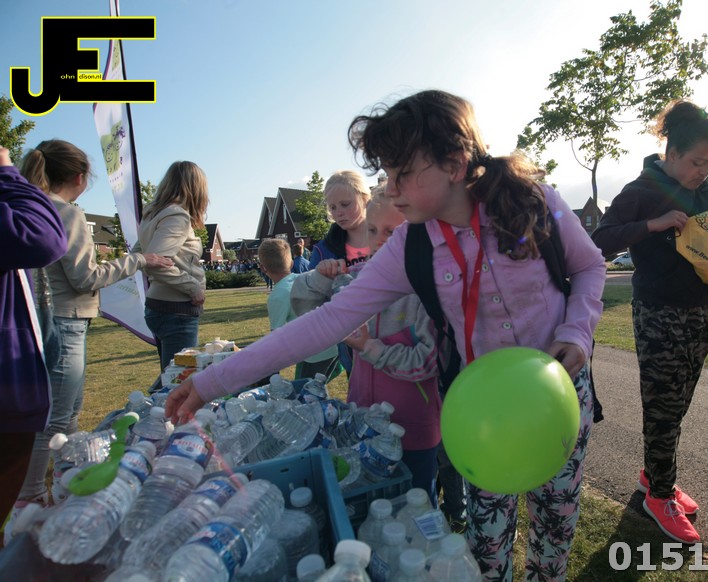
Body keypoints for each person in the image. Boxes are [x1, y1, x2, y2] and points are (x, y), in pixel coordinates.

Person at [166, 89, 606, 581]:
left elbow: (589, 267)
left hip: (560, 397)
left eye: (402, 174)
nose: (390, 189)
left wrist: (577, 330)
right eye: (387, 174)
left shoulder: (533, 200)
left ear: (455, 163)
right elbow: (328, 321)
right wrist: (211, 382)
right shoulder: (410, 246)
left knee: (554, 532)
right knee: (486, 547)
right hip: (482, 413)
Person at [591, 99, 708, 544]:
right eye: (696, 162)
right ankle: (659, 496)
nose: (704, 172)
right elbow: (600, 240)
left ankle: (653, 475)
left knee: (679, 403)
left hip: (702, 309)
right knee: (664, 408)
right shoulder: (640, 190)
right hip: (658, 313)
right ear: (671, 153)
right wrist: (651, 224)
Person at [11, 140, 171, 518]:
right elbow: (85, 277)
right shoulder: (66, 214)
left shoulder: (28, 208)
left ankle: (62, 480)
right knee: (56, 417)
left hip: (38, 322)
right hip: (65, 322)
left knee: (64, 412)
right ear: (80, 178)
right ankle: (30, 498)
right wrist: (138, 261)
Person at [292, 187, 442, 502]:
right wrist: (320, 278)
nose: (380, 240)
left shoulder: (425, 289)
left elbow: (427, 361)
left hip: (413, 431)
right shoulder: (359, 281)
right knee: (372, 504)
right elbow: (302, 308)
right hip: (362, 425)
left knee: (416, 506)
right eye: (372, 230)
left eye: (392, 231)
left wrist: (370, 348)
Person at [0, 146, 67, 539]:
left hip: (28, 348)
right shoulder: (53, 211)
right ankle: (33, 493)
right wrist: (6, 173)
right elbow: (44, 240)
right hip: (12, 377)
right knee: (58, 419)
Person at [133, 161, 209, 376]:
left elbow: (139, 254)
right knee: (178, 379)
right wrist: (193, 287)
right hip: (176, 310)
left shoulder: (153, 214)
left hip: (160, 304)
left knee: (171, 374)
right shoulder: (177, 216)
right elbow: (154, 262)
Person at [308, 170, 372, 376]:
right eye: (333, 207)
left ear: (365, 199)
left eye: (345, 204)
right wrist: (320, 277)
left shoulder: (388, 234)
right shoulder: (323, 250)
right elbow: (310, 300)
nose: (339, 213)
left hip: (398, 336)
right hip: (352, 347)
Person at [257, 237, 340, 381]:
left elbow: (276, 338)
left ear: (263, 268)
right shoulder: (305, 280)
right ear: (291, 263)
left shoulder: (277, 296)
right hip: (335, 345)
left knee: (305, 391)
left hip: (315, 353)